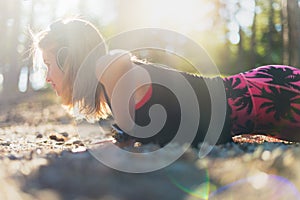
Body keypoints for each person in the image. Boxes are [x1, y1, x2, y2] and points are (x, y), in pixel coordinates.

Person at [32, 18, 300, 148]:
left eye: (49, 64)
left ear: (69, 58)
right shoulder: (112, 90)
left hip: (263, 94)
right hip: (262, 112)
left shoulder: (109, 68)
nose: (47, 77)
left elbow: (118, 58)